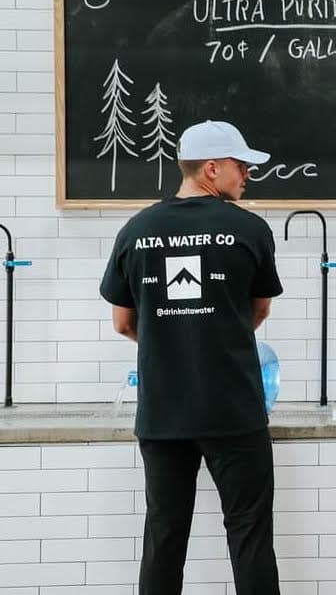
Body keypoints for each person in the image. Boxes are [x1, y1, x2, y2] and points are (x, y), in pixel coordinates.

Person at [100, 120, 284, 595]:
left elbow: (122, 323)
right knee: (250, 536)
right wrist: (213, 337)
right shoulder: (249, 229)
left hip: (164, 413)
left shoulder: (136, 230)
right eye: (241, 166)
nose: (247, 175)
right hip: (234, 410)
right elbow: (258, 310)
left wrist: (174, 340)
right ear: (211, 168)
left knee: (164, 538)